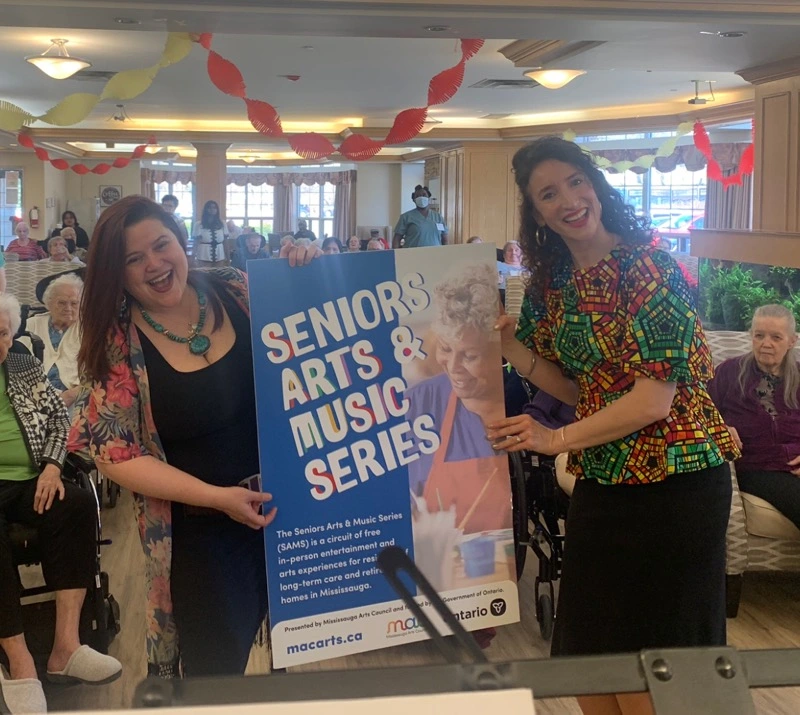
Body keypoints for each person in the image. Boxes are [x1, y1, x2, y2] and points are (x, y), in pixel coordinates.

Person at [488, 137, 739, 715]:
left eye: (576, 181)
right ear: (536, 211)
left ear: (596, 184)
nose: (570, 200)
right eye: (549, 193)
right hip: (607, 475)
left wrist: (554, 439)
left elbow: (652, 401)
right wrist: (511, 346)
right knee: (590, 656)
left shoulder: (649, 266)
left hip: (678, 485)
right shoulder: (551, 283)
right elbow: (581, 390)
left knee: (659, 669)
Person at [68, 196, 279, 678]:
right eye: (133, 259)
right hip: (202, 531)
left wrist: (304, 270)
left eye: (161, 245)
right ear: (116, 274)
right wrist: (217, 497)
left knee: (297, 652)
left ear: (181, 241)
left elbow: (329, 333)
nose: (155, 264)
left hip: (291, 508)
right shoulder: (117, 343)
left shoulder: (238, 290)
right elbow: (115, 455)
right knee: (213, 673)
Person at [0, 294, 121, 715]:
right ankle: (19, 662)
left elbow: (56, 418)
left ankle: (65, 648)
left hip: (31, 478)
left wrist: (52, 466)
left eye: (1, 333)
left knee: (75, 503)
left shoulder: (21, 363)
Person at [406, 263, 509, 534]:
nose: (452, 366)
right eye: (445, 349)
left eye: (470, 356)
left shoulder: (517, 402)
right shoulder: (420, 403)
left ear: (497, 350)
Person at [708, 304, 800, 530]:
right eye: (759, 335)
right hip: (756, 466)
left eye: (776, 337)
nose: (765, 343)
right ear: (751, 336)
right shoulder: (729, 371)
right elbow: (701, 413)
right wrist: (722, 429)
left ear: (792, 341)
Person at [27, 274, 84, 409]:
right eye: (62, 302)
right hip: (32, 397)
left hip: (75, 398)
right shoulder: (30, 325)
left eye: (74, 303)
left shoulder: (90, 329)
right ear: (49, 303)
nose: (68, 308)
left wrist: (72, 395)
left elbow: (99, 374)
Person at [191, 200, 228, 267]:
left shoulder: (222, 223)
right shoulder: (198, 224)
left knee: (218, 275)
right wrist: (192, 258)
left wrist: (228, 257)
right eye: (209, 207)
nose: (212, 210)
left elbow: (225, 241)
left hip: (220, 255)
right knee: (205, 275)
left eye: (214, 208)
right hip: (203, 255)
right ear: (206, 209)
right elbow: (196, 243)